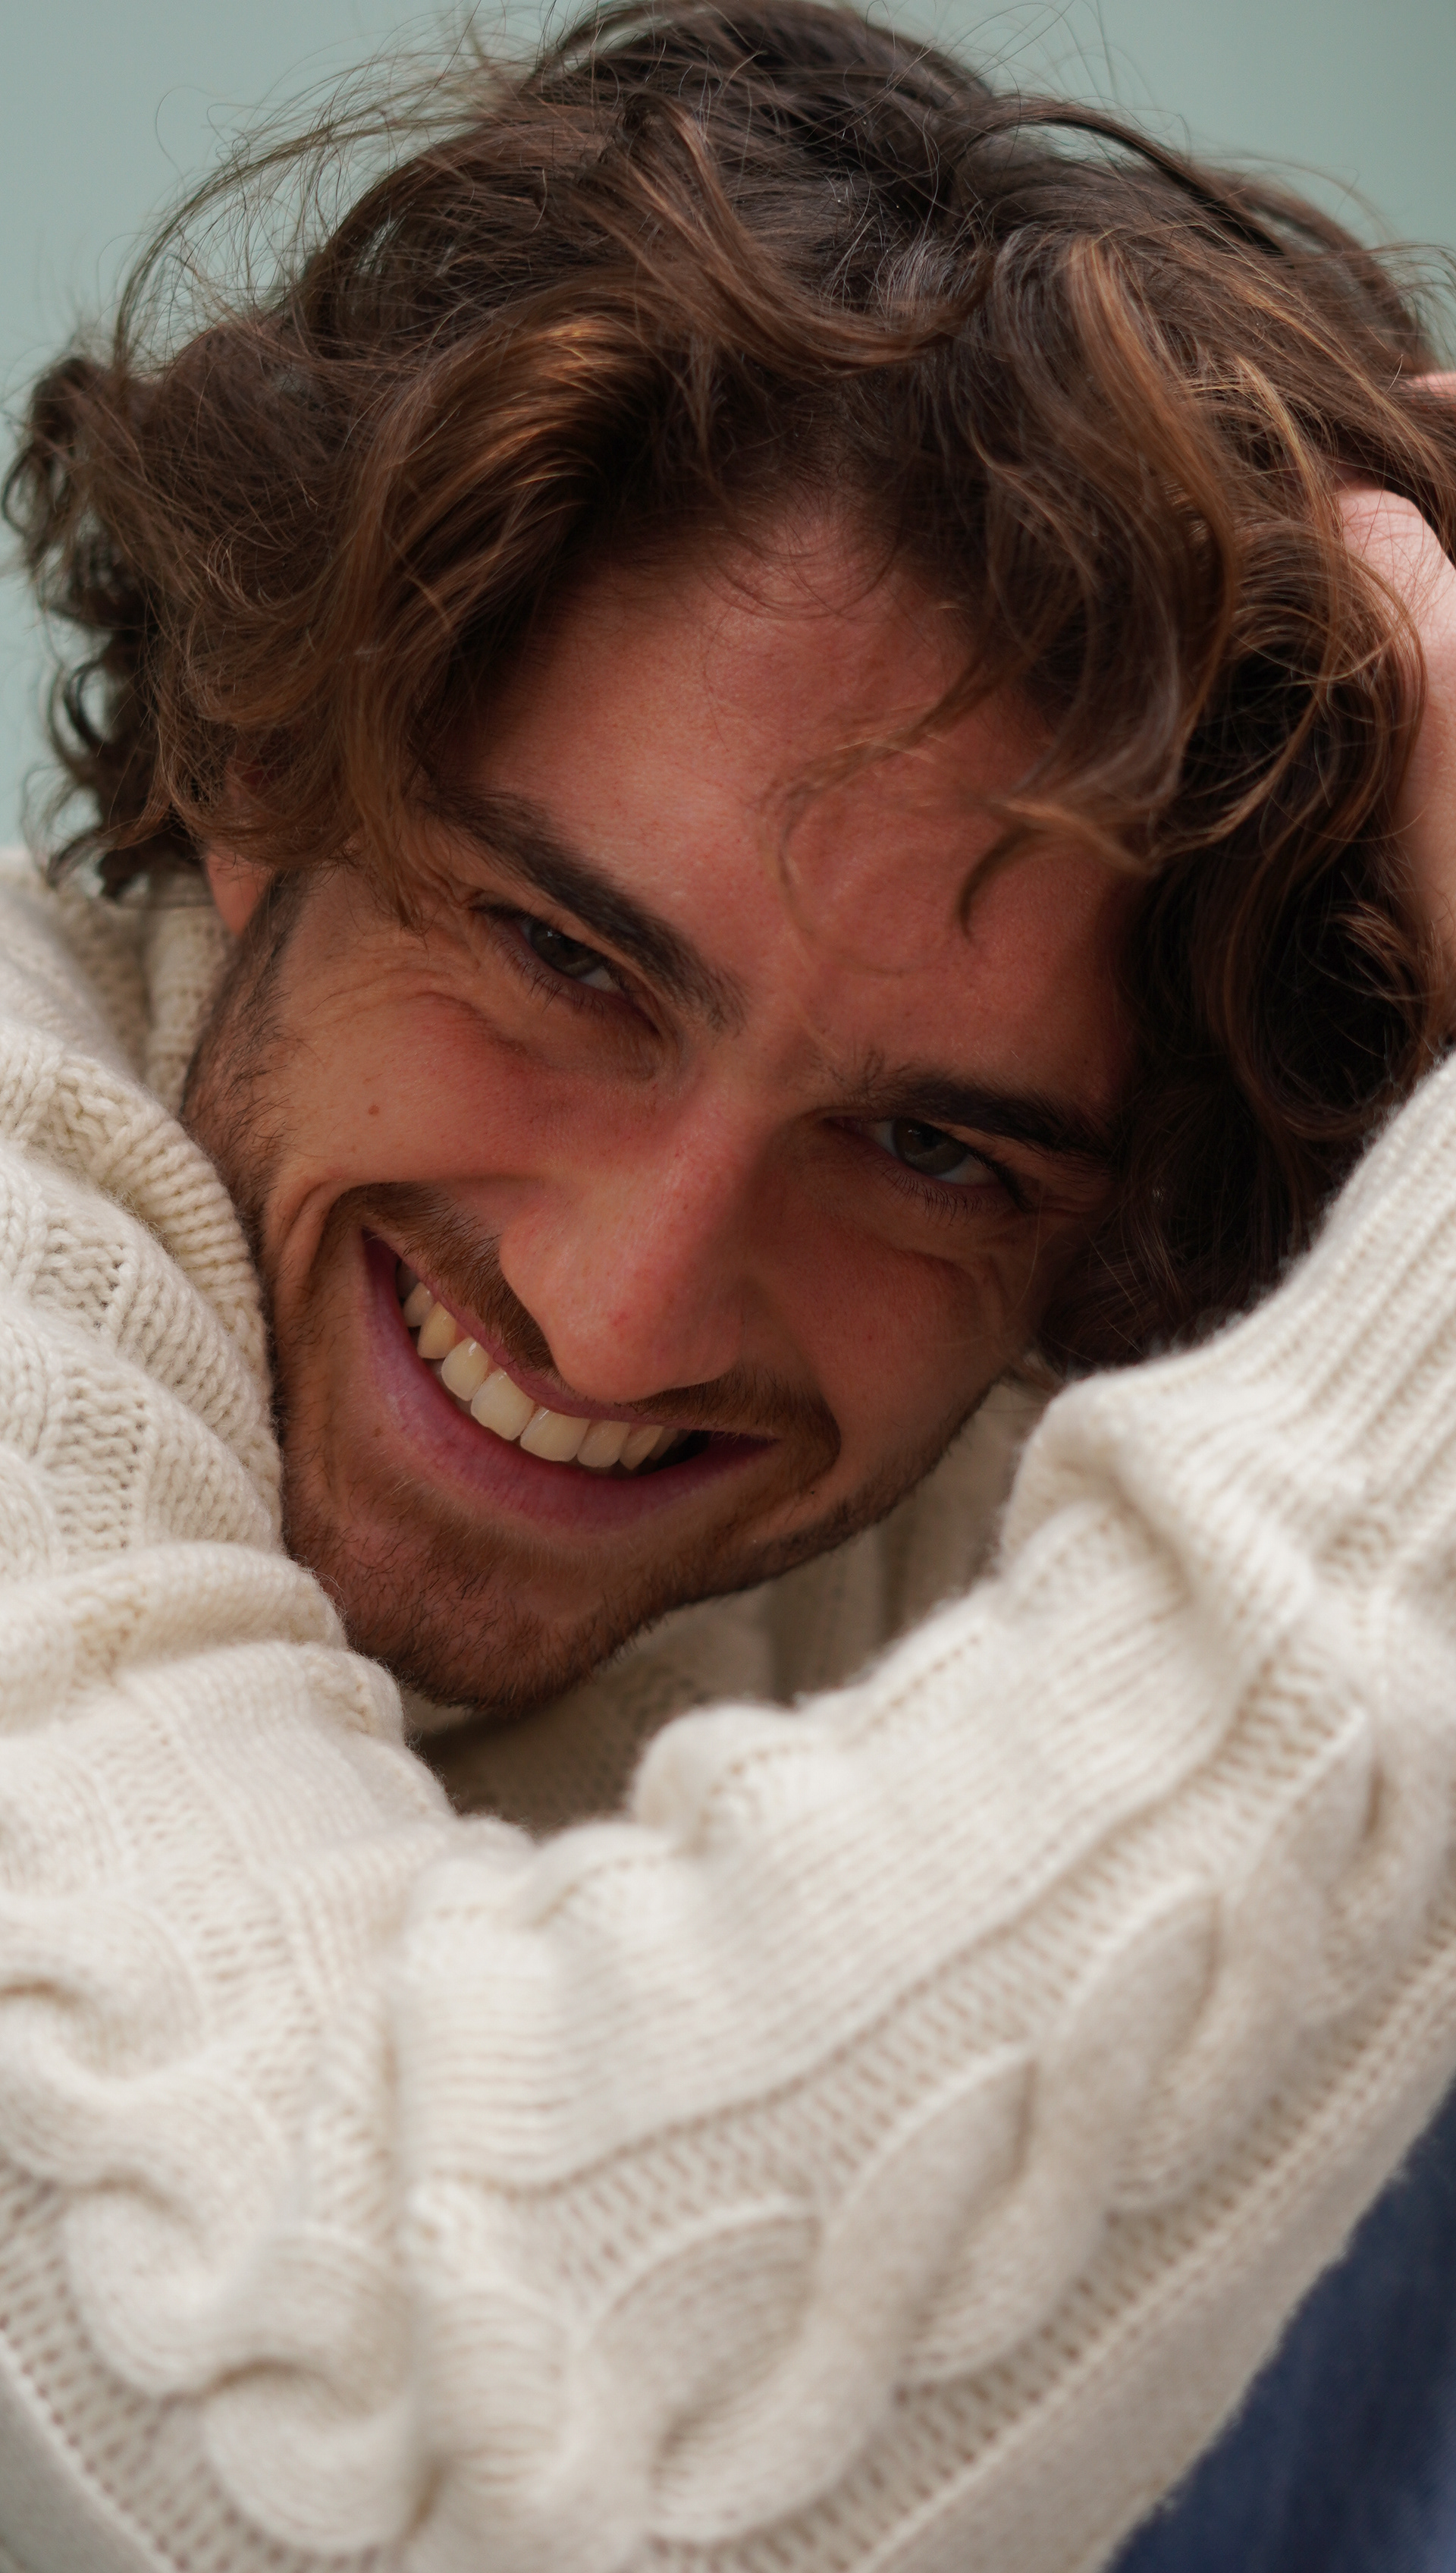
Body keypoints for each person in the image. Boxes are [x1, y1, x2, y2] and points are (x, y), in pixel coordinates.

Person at [2, 5, 1456, 2566]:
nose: (623, 1315)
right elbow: (300, 2461)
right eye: (564, 959)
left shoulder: (1053, 1411)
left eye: (930, 1150)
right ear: (259, 748)